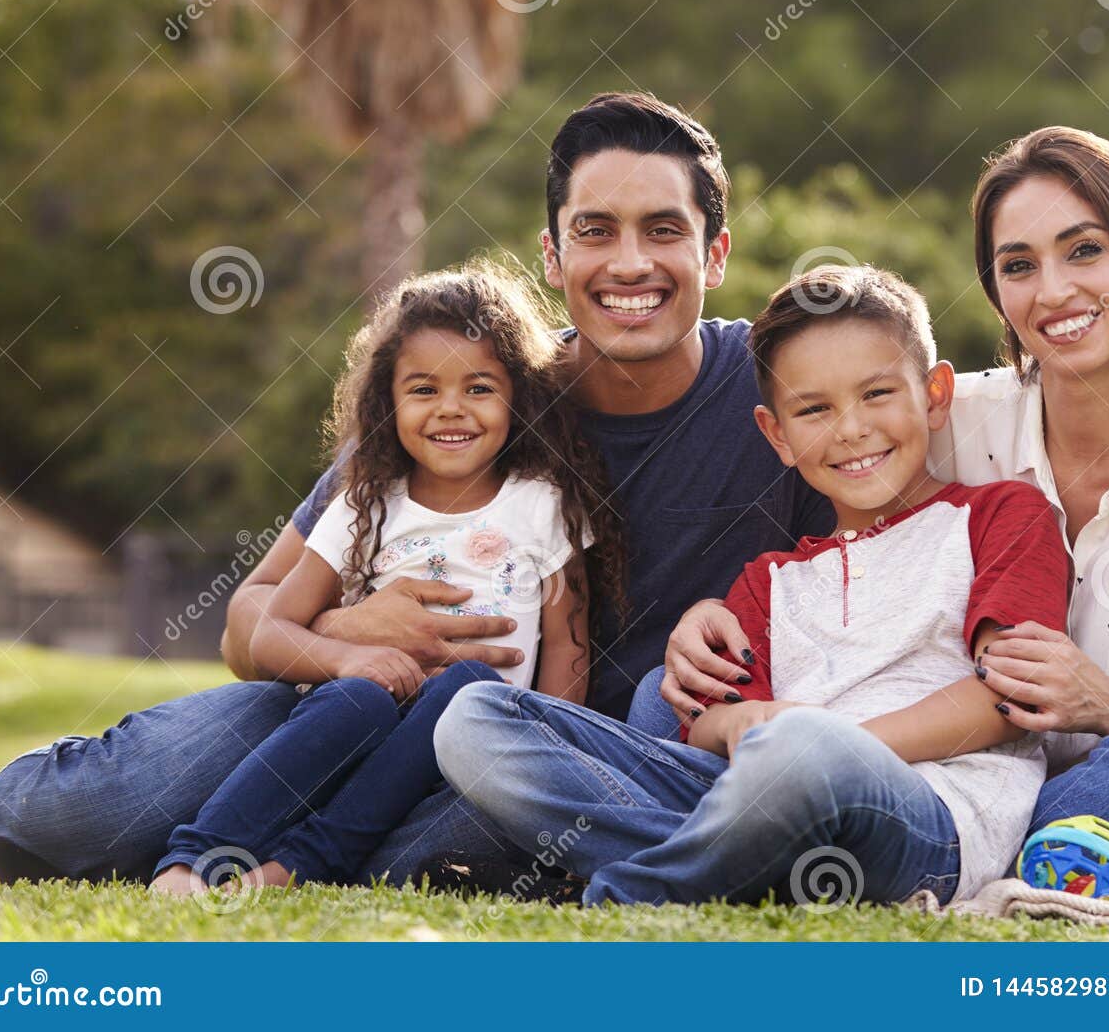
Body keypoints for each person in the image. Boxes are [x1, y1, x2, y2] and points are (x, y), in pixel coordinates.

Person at [0, 92, 833, 886]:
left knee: (441, 849)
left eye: (663, 231)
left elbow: (902, 446)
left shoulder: (781, 392)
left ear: (713, 255)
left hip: (545, 762)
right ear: (553, 257)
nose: (629, 263)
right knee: (129, 790)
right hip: (353, 708)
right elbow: (244, 626)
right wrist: (347, 632)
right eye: (596, 231)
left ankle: (273, 859)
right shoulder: (471, 405)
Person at [656, 126, 1109, 888]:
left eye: (1085, 251)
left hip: (1092, 800)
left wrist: (1102, 702)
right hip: (927, 771)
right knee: (667, 699)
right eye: (1018, 265)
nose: (1053, 291)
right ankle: (884, 844)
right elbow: (822, 514)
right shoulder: (950, 419)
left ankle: (928, 856)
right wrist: (708, 615)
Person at [436, 266, 1073, 906]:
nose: (850, 429)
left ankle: (639, 892)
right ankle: (733, 867)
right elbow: (710, 728)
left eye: (876, 394)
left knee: (795, 751)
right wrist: (752, 725)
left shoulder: (1000, 516)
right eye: (815, 409)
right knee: (474, 719)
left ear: (934, 394)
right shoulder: (768, 581)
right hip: (752, 797)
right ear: (777, 434)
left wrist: (817, 743)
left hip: (929, 814)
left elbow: (1007, 696)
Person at [150, 263, 622, 895]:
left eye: (479, 388)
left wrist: (553, 766)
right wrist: (346, 658)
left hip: (474, 744)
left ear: (519, 395)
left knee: (469, 688)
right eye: (423, 390)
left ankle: (294, 869)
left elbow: (569, 646)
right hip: (360, 725)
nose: (451, 409)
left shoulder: (544, 505)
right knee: (358, 697)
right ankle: (195, 860)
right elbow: (266, 631)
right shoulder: (363, 503)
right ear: (387, 400)